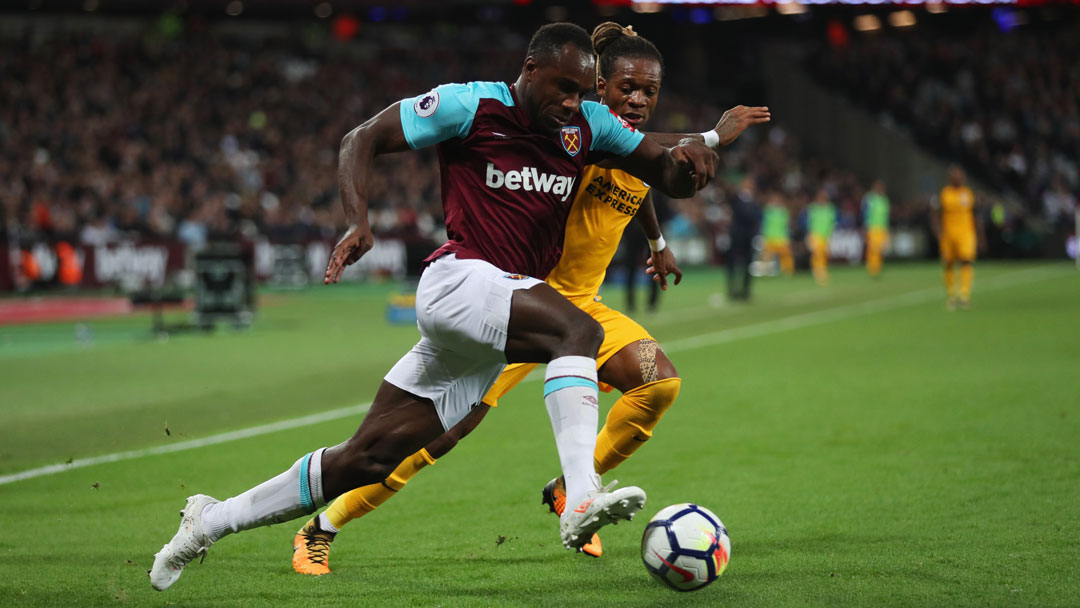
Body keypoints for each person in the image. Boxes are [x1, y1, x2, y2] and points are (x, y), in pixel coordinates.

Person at [149, 23, 721, 592]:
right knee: (579, 331)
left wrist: (692, 161)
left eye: (582, 91)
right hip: (460, 280)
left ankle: (209, 520)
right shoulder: (470, 105)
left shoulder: (589, 126)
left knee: (366, 459)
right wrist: (357, 219)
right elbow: (360, 138)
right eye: (564, 88)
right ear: (529, 70)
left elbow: (663, 173)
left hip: (494, 318)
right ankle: (579, 496)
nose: (573, 103)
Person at [289, 22, 770, 574]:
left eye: (648, 92)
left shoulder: (627, 146)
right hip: (520, 305)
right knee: (438, 437)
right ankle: (322, 526)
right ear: (596, 92)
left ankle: (574, 486)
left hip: (579, 308)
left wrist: (657, 241)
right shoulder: (575, 134)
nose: (636, 101)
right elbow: (652, 155)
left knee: (658, 381)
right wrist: (708, 137)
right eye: (623, 90)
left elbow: (642, 182)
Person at [932, 166, 977, 309]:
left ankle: (964, 295)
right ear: (951, 178)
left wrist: (980, 235)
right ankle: (951, 295)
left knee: (966, 261)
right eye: (957, 176)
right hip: (948, 234)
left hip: (966, 233)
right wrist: (938, 231)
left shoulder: (968, 194)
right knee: (949, 263)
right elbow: (935, 214)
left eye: (961, 176)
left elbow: (975, 215)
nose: (960, 178)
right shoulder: (944, 194)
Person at [726, 176, 760, 300]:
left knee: (748, 264)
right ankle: (732, 290)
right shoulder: (736, 198)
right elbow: (745, 214)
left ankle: (745, 290)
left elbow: (757, 215)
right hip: (737, 236)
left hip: (748, 236)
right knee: (733, 263)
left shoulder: (753, 201)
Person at [806, 188, 837, 285]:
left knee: (824, 254)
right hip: (816, 235)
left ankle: (820, 270)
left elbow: (832, 223)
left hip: (826, 236)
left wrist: (831, 235)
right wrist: (809, 235)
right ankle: (819, 272)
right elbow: (809, 223)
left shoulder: (830, 209)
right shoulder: (813, 208)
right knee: (818, 253)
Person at [760, 192, 793, 276]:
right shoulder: (768, 211)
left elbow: (786, 225)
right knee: (766, 256)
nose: (776, 201)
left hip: (781, 237)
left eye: (777, 200)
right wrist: (763, 235)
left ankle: (786, 271)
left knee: (786, 254)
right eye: (774, 200)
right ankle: (766, 272)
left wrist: (786, 237)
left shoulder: (783, 212)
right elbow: (764, 224)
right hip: (769, 236)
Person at [862, 179, 890, 278]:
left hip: (882, 228)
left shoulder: (884, 200)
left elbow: (886, 215)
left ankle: (877, 267)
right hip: (872, 227)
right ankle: (872, 268)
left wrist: (886, 228)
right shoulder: (869, 198)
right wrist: (865, 226)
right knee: (873, 248)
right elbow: (865, 213)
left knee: (880, 249)